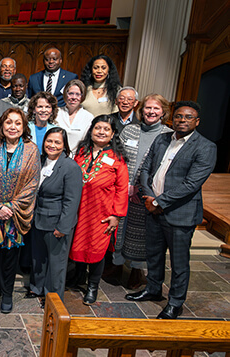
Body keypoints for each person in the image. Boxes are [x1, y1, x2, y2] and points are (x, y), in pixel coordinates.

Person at [126, 101, 216, 320]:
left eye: (187, 117)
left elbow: (191, 184)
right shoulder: (162, 139)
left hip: (179, 213)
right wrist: (149, 197)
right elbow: (147, 168)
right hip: (152, 207)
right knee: (154, 255)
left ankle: (175, 302)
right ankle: (153, 290)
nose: (182, 120)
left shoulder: (206, 147)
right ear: (172, 119)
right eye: (178, 117)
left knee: (179, 262)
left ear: (197, 121)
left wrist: (158, 202)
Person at [0, 108, 40, 313]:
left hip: (15, 215)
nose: (12, 127)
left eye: (17, 123)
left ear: (24, 127)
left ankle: (7, 293)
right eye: (8, 122)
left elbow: (32, 183)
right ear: (1, 125)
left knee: (11, 256)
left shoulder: (31, 150)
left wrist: (10, 207)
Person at [109, 94, 172, 289]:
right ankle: (116, 265)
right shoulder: (130, 131)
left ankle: (137, 270)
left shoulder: (167, 135)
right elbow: (116, 156)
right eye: (148, 108)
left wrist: (144, 188)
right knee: (119, 228)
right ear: (141, 109)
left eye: (156, 108)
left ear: (163, 111)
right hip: (122, 190)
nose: (151, 112)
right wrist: (123, 184)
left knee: (141, 233)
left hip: (147, 194)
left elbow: (166, 167)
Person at [69, 115, 128, 305]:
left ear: (112, 134)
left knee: (96, 250)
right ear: (91, 130)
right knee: (77, 245)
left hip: (101, 213)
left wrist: (116, 216)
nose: (101, 132)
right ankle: (78, 277)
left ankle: (92, 286)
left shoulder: (117, 158)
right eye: (98, 128)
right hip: (79, 210)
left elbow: (122, 188)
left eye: (106, 129)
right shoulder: (82, 152)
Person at [27, 127, 82, 302]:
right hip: (38, 218)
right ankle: (37, 287)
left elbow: (72, 201)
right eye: (49, 141)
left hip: (57, 222)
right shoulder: (40, 160)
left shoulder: (70, 167)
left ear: (64, 145)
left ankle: (53, 298)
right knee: (38, 257)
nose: (52, 145)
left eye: (57, 142)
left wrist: (63, 226)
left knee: (56, 263)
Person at [56, 79, 94, 154]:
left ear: (82, 96)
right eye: (71, 93)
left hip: (78, 157)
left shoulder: (88, 117)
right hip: (56, 155)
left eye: (77, 94)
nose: (74, 97)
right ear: (65, 94)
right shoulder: (56, 113)